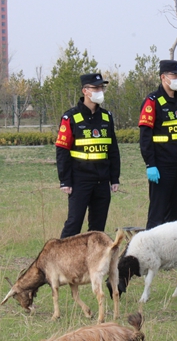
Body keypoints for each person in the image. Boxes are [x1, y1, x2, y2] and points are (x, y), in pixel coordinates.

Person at [55, 73, 120, 238]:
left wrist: (115, 178)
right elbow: (62, 151)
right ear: (85, 91)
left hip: (102, 180)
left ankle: (94, 262)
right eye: (96, 88)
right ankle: (62, 261)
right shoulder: (71, 117)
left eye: (101, 87)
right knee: (74, 224)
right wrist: (65, 180)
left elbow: (113, 150)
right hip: (80, 180)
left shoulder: (106, 117)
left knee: (98, 230)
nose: (100, 91)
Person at [138, 59, 177, 230]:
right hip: (161, 167)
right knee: (158, 214)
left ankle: (174, 254)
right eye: (174, 75)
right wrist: (150, 164)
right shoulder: (152, 101)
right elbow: (145, 136)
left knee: (176, 215)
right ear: (163, 77)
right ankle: (150, 255)